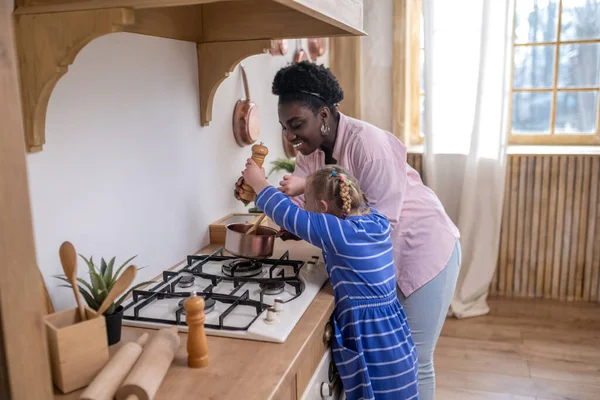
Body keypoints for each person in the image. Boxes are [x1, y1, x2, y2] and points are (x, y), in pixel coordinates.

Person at [235, 61, 461, 400]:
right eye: (284, 127)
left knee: (416, 361)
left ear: (323, 114)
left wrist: (265, 191)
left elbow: (376, 231)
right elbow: (310, 211)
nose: (290, 137)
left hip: (422, 249)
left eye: (297, 125)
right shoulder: (312, 154)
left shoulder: (369, 147)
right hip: (381, 272)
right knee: (389, 367)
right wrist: (284, 219)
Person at [243, 161, 420, 400]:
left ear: (324, 209)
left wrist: (258, 182)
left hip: (372, 340)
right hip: (395, 337)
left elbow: (287, 213)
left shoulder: (339, 232)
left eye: (307, 204)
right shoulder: (376, 220)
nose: (304, 209)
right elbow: (320, 224)